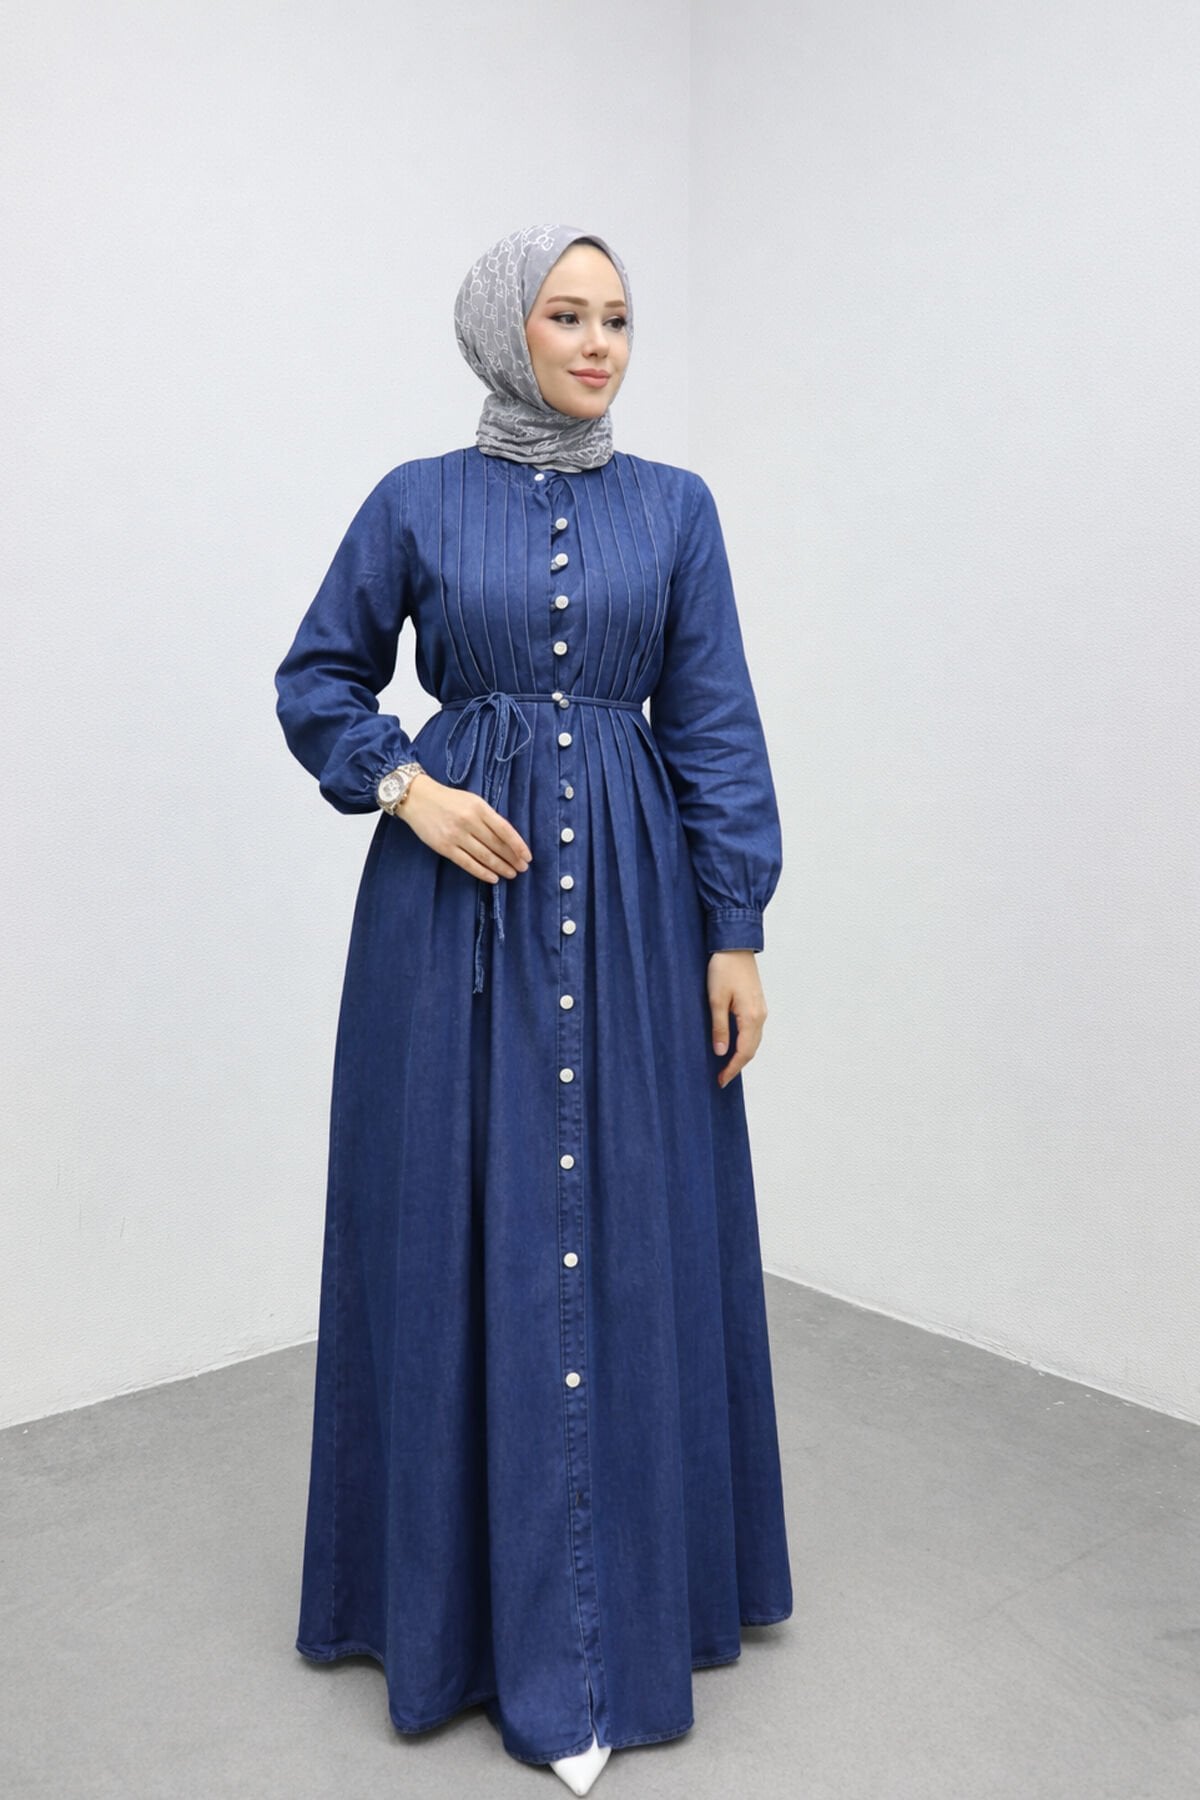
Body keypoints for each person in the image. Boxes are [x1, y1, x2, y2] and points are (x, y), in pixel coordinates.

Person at [274, 222, 792, 1794]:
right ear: (506, 332)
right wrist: (406, 787)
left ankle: (624, 1611)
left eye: (617, 318)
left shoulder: (678, 510)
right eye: (566, 316)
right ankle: (455, 1619)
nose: (597, 344)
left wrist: (735, 927)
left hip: (636, 916)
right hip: (452, 921)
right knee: (450, 1225)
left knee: (633, 1229)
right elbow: (318, 678)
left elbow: (714, 722)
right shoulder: (413, 499)